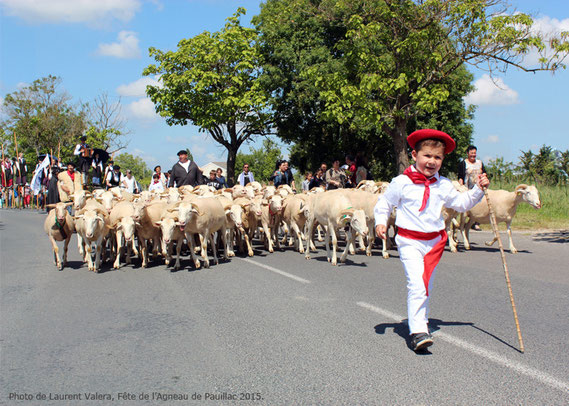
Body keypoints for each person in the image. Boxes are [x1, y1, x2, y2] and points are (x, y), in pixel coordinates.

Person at [374, 129, 489, 352]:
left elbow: (462, 203)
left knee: (426, 284)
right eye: (427, 155)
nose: (432, 161)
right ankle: (417, 332)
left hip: (434, 243)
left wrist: (478, 190)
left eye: (437, 157)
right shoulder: (401, 182)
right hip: (409, 240)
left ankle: (421, 322)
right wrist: (381, 222)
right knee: (417, 283)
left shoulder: (443, 184)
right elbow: (384, 203)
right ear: (414, 155)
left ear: (443, 160)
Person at [458, 145, 487, 230]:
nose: (473, 155)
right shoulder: (463, 163)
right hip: (468, 188)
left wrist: (484, 178)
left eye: (474, 153)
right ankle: (462, 223)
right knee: (466, 207)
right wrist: (461, 187)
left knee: (480, 206)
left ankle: (476, 223)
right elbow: (460, 176)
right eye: (471, 153)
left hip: (478, 188)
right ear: (467, 153)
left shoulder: (480, 163)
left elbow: (484, 173)